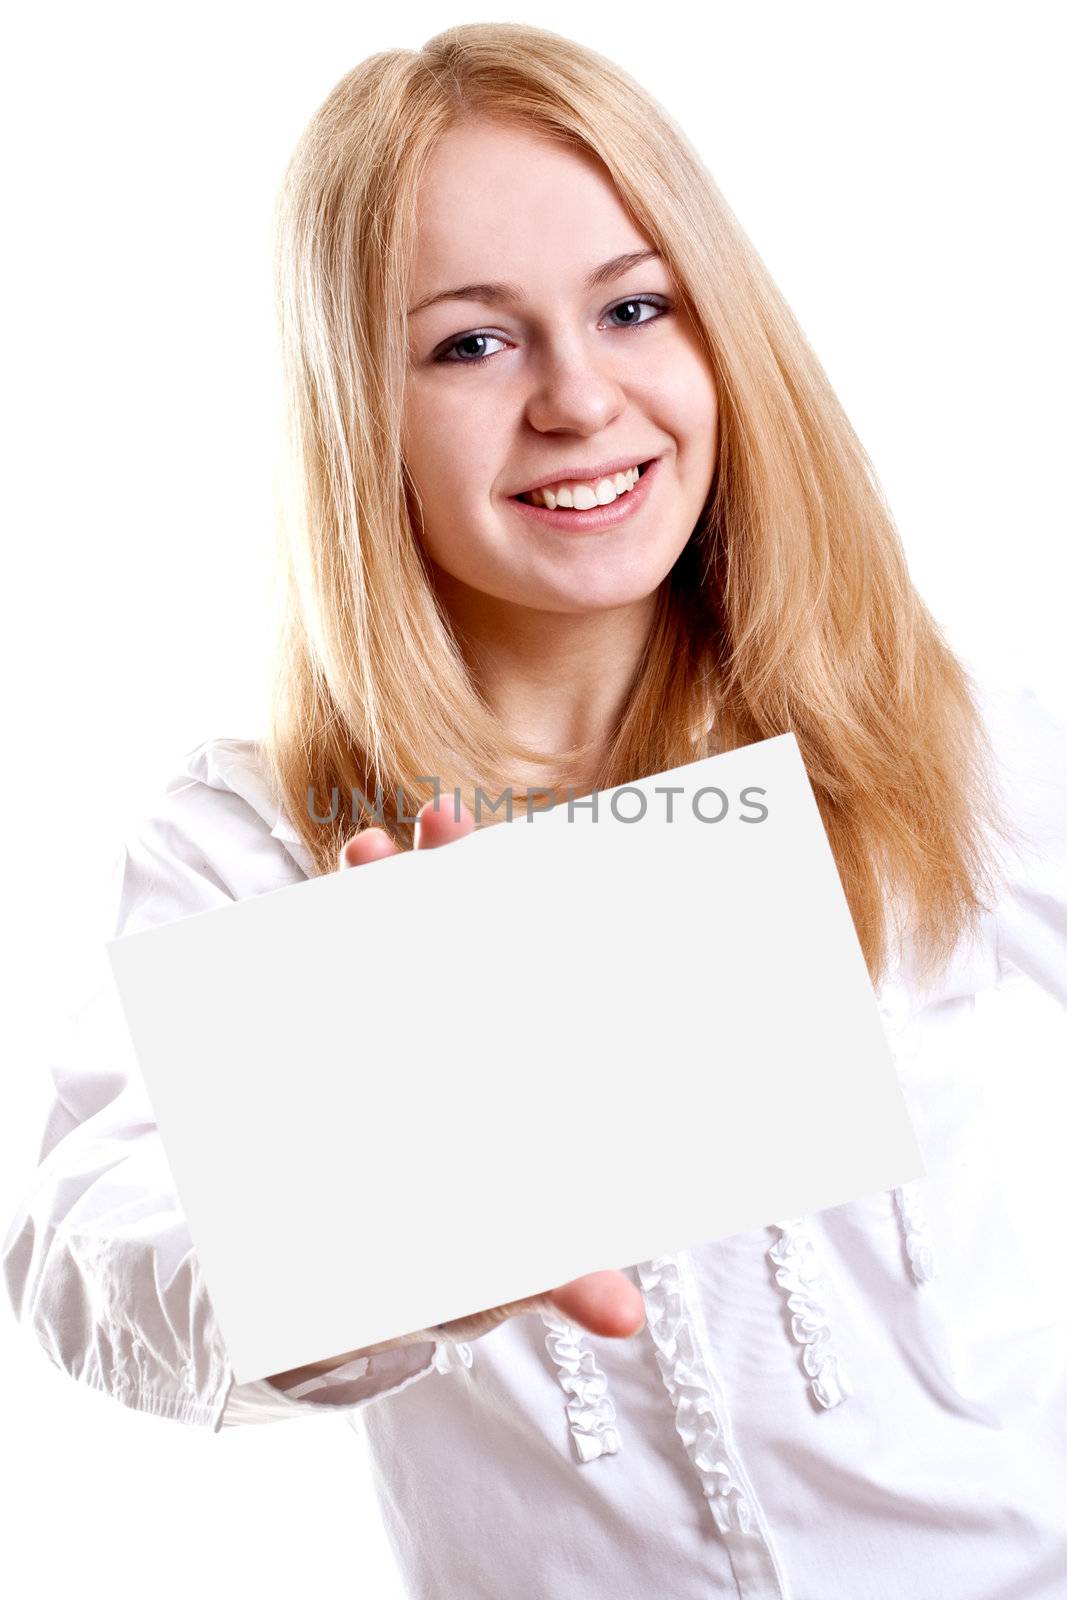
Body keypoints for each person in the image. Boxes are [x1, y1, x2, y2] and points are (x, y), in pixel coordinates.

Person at [5, 21, 1067, 1600]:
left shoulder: (929, 731)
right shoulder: (253, 840)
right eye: (471, 344)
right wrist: (388, 1214)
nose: (581, 398)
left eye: (636, 307)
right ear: (356, 408)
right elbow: (88, 1261)